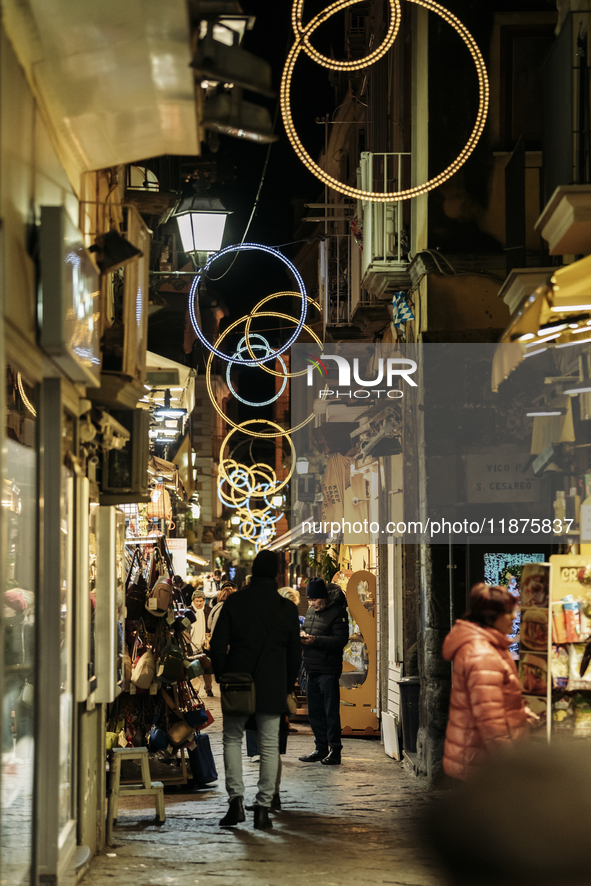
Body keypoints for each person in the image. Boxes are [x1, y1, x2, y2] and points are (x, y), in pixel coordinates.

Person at [210, 549, 301, 830]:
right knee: (270, 745)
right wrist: (287, 686)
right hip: (272, 684)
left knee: (232, 740)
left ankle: (236, 802)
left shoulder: (236, 603)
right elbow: (294, 654)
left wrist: (223, 675)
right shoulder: (286, 609)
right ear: (275, 573)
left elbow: (216, 644)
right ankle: (262, 809)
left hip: (237, 682)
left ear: (252, 571)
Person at [442, 583, 530, 782]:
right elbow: (490, 720)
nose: (515, 617)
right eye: (509, 612)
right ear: (492, 616)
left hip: (476, 757)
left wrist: (521, 713)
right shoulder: (482, 653)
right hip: (482, 764)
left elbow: (494, 701)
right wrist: (510, 763)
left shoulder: (488, 645)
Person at [298, 577, 348, 766]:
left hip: (328, 669)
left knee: (330, 711)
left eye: (315, 599)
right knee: (315, 712)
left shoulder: (337, 613)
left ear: (324, 597)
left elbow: (340, 640)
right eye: (309, 599)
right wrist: (302, 635)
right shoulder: (310, 611)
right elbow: (306, 628)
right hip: (311, 668)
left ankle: (335, 749)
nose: (312, 603)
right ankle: (320, 748)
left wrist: (316, 641)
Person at [186, 587, 214, 698]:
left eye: (201, 601)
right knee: (195, 669)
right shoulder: (188, 611)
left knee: (207, 668)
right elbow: (184, 628)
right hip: (192, 645)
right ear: (193, 601)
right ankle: (195, 691)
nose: (199, 603)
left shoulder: (209, 611)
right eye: (197, 601)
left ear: (204, 600)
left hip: (205, 645)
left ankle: (209, 688)